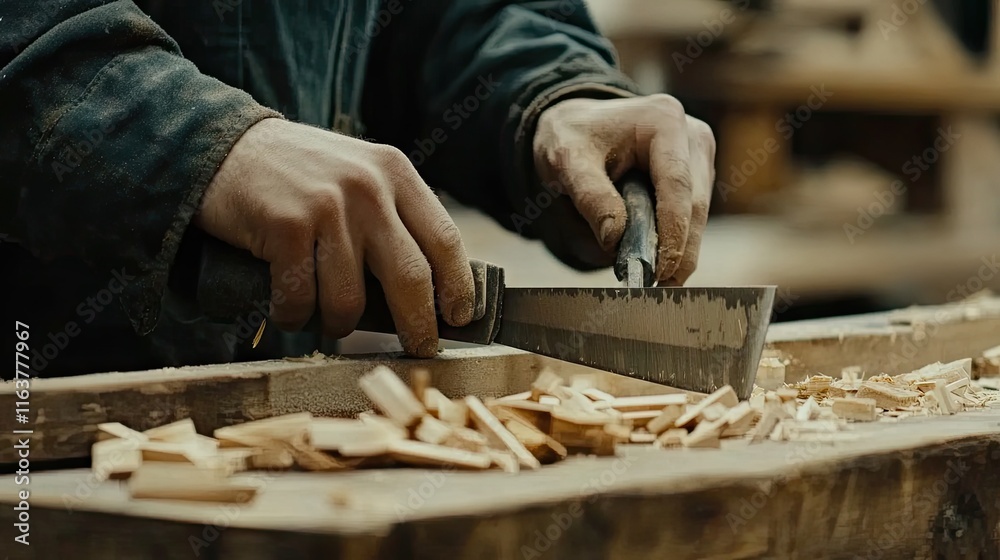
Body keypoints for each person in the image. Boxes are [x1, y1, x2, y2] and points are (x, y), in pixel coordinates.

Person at [1, 0, 715, 377]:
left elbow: (432, 19)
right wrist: (198, 145)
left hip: (263, 433)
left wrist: (554, 98)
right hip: (35, 416)